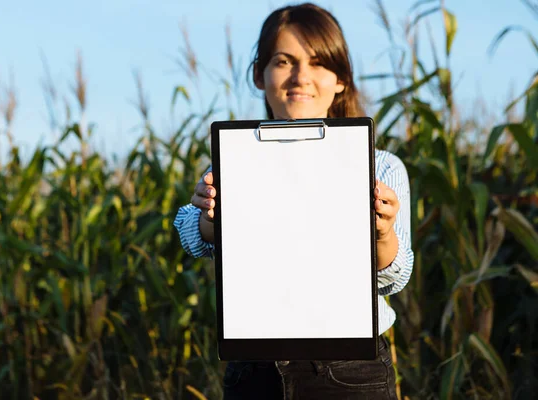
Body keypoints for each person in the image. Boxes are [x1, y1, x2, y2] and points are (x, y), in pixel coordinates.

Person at [174, 3, 414, 399]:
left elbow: (394, 277)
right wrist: (209, 218)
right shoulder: (236, 156)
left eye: (319, 63)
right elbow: (189, 232)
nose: (301, 77)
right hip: (255, 366)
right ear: (259, 74)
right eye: (284, 61)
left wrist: (383, 232)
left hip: (349, 370)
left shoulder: (381, 168)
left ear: (341, 79)